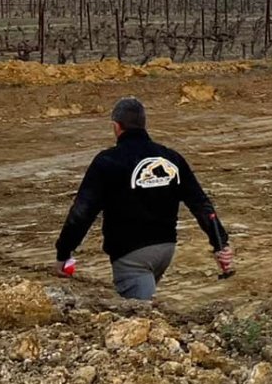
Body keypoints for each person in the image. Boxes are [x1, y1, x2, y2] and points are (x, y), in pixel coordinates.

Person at [55, 97, 234, 300]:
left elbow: (82, 212)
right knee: (144, 317)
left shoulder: (107, 161)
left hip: (131, 257)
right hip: (165, 249)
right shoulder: (171, 157)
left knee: (139, 317)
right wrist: (221, 243)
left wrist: (64, 252)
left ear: (116, 126)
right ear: (143, 123)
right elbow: (200, 204)